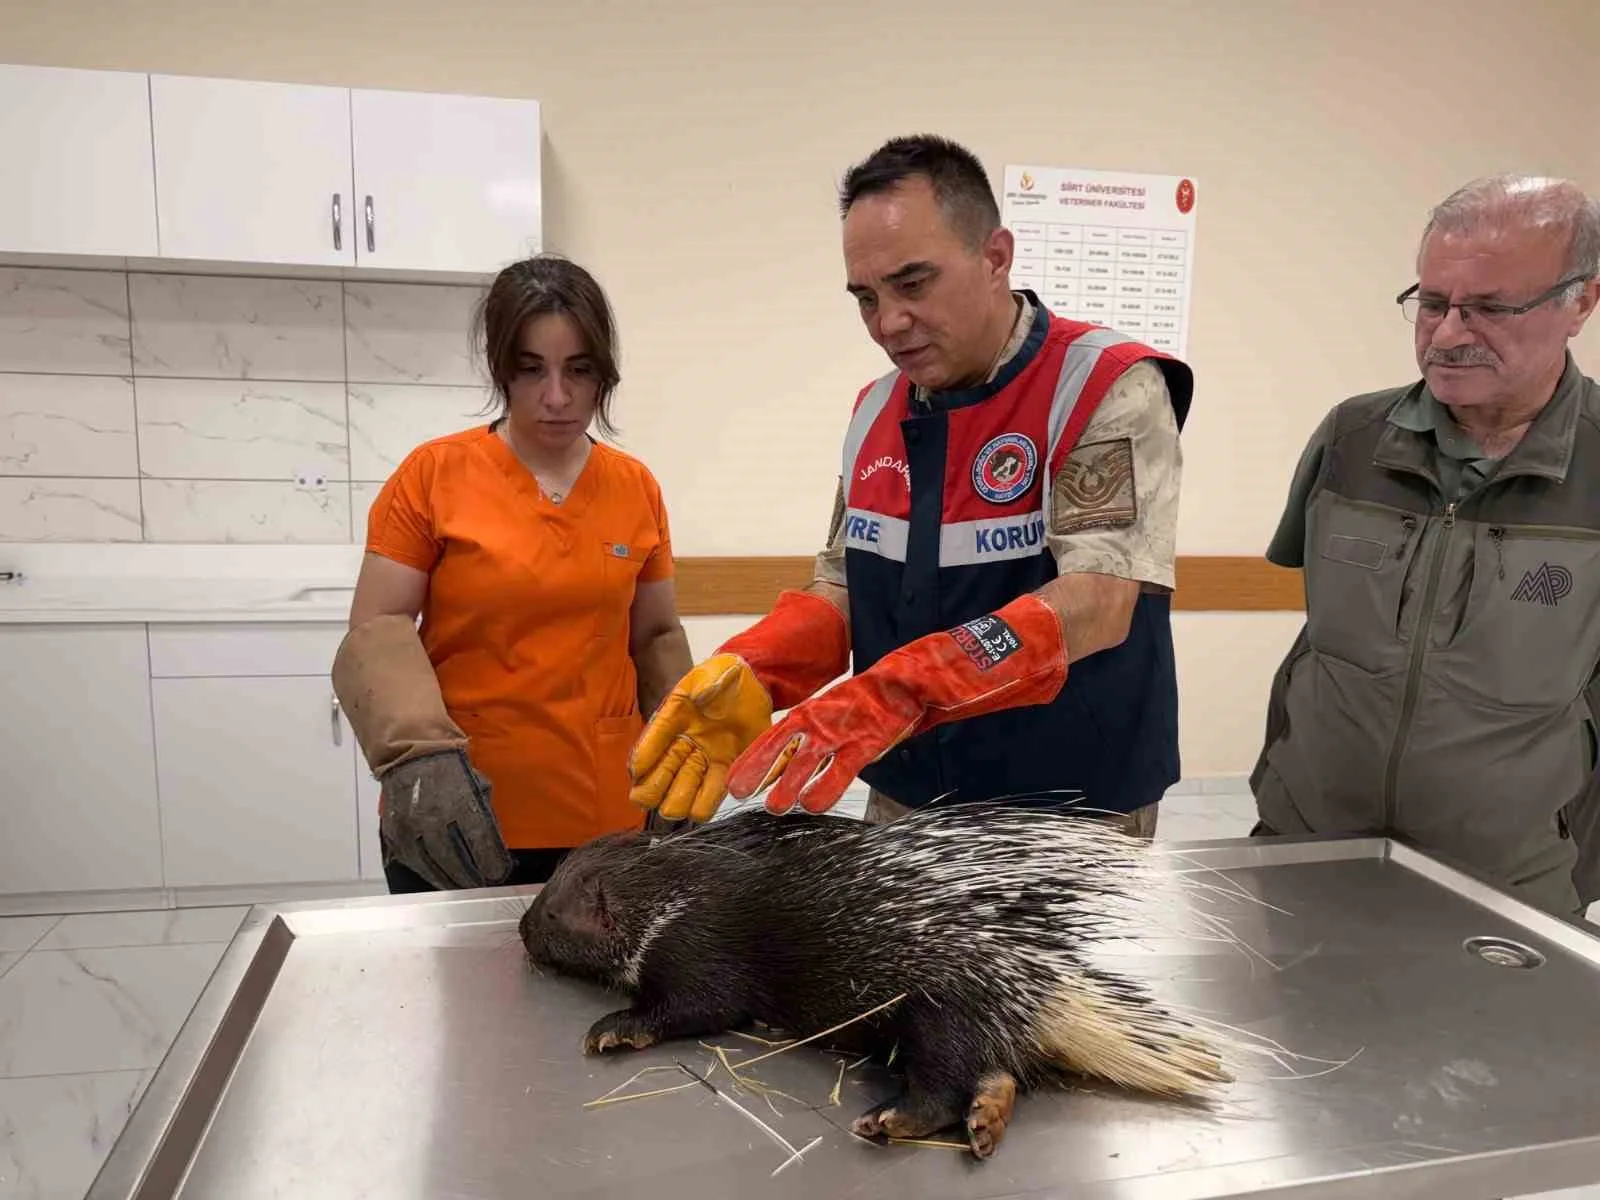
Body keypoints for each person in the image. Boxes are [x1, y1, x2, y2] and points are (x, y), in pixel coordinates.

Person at [627, 134, 1193, 835]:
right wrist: (759, 666)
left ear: (996, 257)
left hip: (1068, 806)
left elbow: (1098, 601)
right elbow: (843, 582)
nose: (888, 323)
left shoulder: (1104, 383)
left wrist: (898, 690)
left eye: (913, 284)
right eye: (865, 297)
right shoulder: (874, 409)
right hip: (909, 793)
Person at [1247, 174, 1600, 918]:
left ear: (1582, 302)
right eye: (1432, 303)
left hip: (1512, 885)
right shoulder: (1351, 436)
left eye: (1491, 308)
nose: (1446, 335)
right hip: (1308, 848)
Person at [332, 254, 694, 893]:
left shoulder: (634, 487)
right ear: (502, 368)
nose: (557, 397)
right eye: (532, 370)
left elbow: (656, 637)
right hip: (460, 819)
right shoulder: (433, 476)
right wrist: (417, 757)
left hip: (604, 823)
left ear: (602, 375)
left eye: (578, 371)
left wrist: (680, 754)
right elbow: (378, 626)